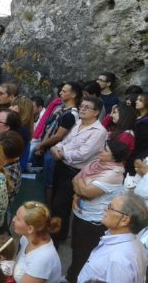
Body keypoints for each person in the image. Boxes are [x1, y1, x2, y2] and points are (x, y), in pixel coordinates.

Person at [67, 140, 129, 282]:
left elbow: (87, 192)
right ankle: (71, 275)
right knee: (76, 247)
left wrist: (80, 187)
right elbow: (75, 179)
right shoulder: (96, 164)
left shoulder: (114, 174)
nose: (100, 150)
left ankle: (75, 278)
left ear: (114, 157)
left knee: (83, 252)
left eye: (105, 150)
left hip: (93, 220)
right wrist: (80, 189)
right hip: (80, 213)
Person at [50, 95, 108, 245]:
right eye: (82, 106)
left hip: (75, 172)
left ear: (96, 112)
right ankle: (59, 233)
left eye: (87, 107)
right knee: (54, 202)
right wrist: (57, 148)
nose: (82, 109)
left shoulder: (99, 131)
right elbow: (64, 142)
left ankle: (55, 239)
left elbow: (83, 154)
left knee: (60, 204)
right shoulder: (77, 123)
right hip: (61, 166)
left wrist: (61, 153)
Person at [78, 193, 148, 283]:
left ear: (125, 220)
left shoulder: (118, 260)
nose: (105, 209)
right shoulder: (133, 242)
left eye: (110, 207)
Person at [35, 82, 81, 205]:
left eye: (64, 91)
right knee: (45, 179)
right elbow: (50, 128)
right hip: (47, 147)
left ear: (73, 95)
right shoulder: (60, 109)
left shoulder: (71, 115)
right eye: (61, 90)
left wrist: (42, 145)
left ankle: (48, 208)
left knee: (50, 182)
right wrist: (42, 144)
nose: (61, 93)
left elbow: (58, 136)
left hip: (56, 149)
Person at [12, 201, 63, 283]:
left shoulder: (41, 260)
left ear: (30, 229)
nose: (13, 219)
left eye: (18, 219)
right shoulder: (27, 238)